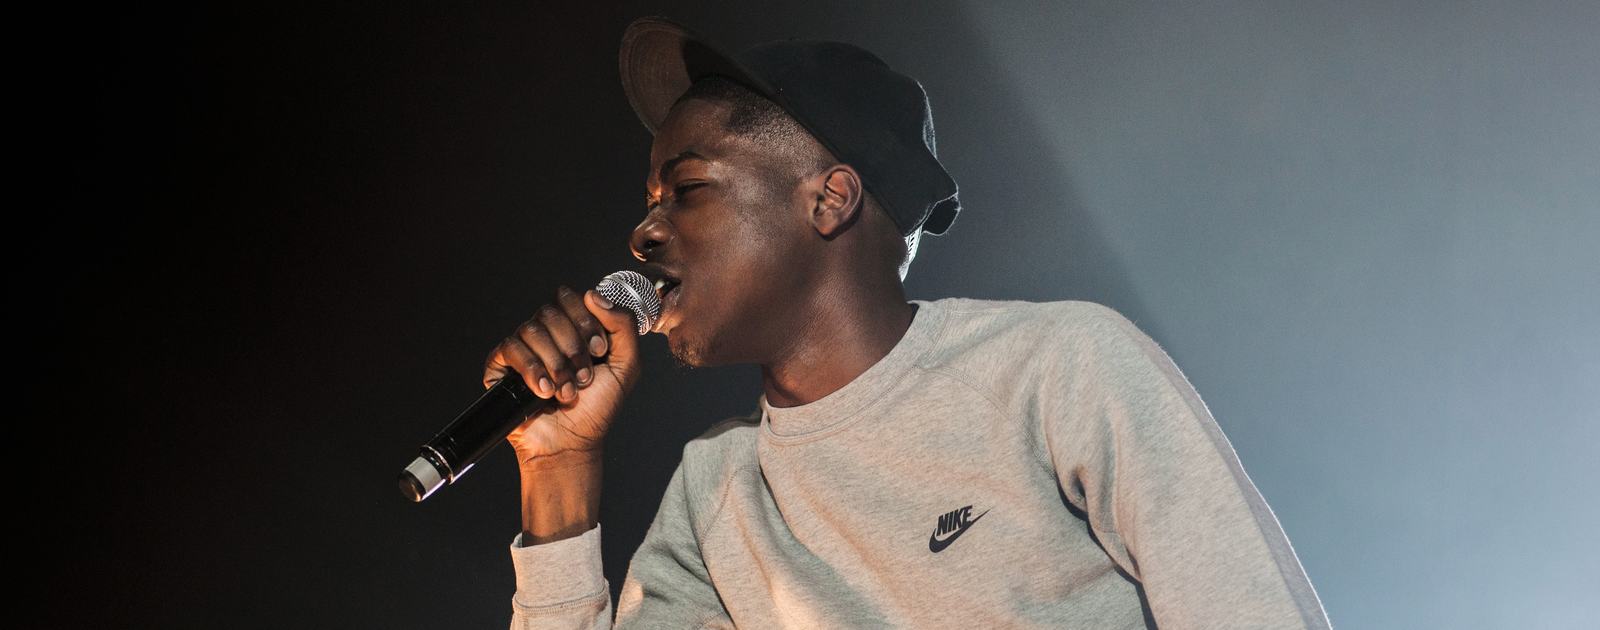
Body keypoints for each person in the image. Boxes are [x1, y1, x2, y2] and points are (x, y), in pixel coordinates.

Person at [482, 16, 1332, 629]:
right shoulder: (716, 491)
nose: (644, 232)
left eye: (688, 189)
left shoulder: (1056, 368)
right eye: (649, 200)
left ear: (829, 199)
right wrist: (559, 469)